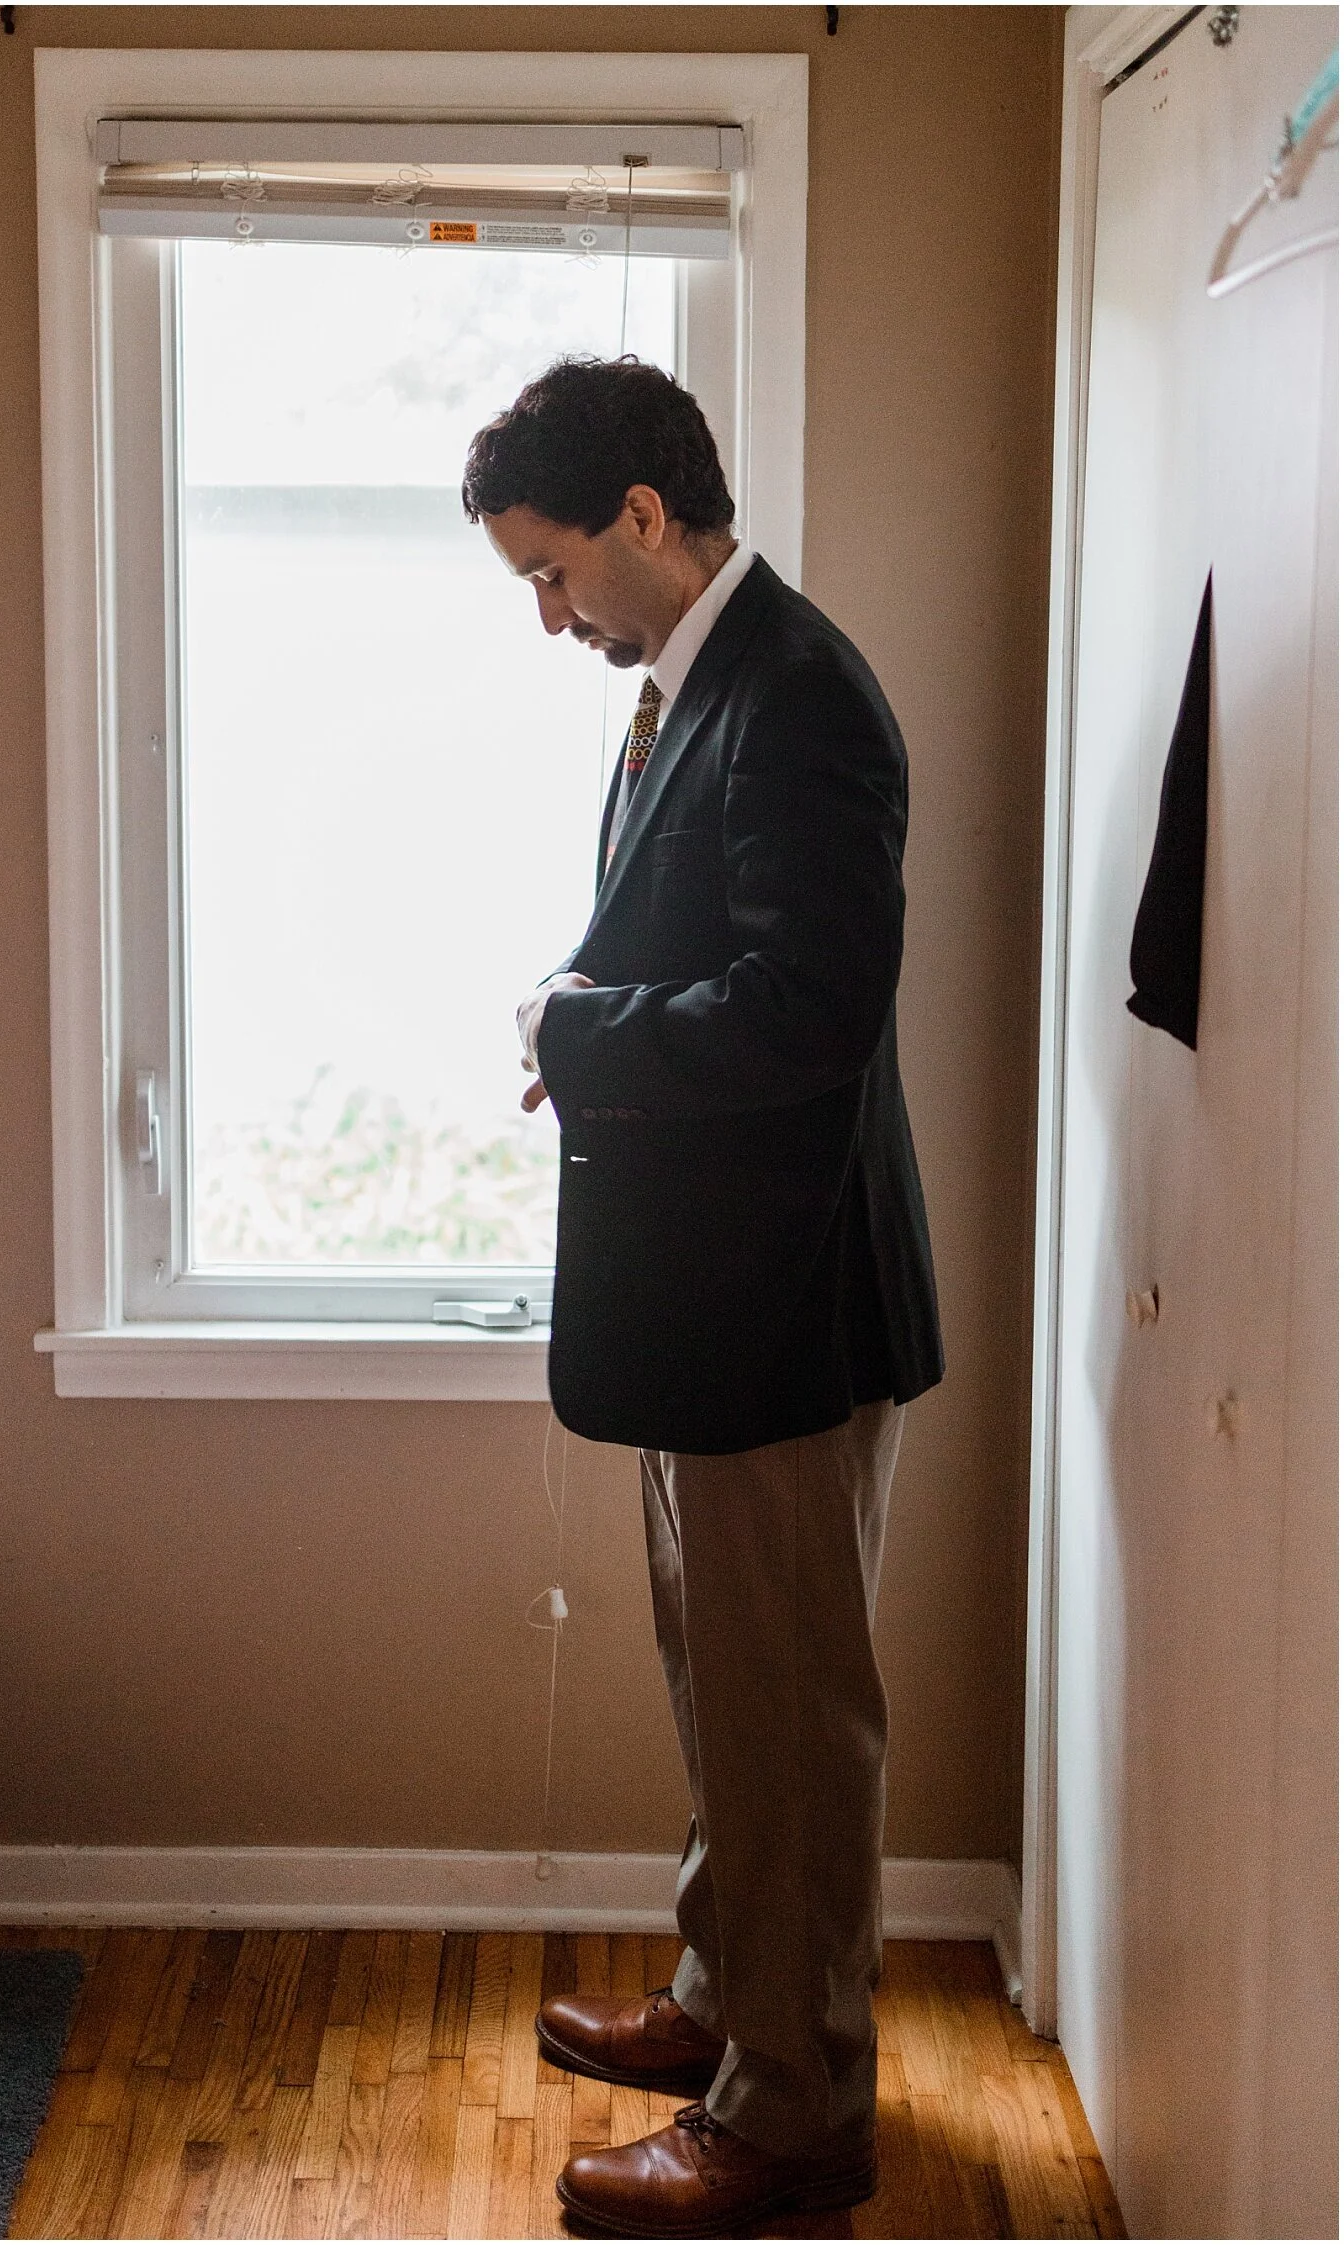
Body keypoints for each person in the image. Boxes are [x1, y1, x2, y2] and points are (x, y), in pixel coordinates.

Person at [461, 355, 943, 2238]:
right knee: (727, 1698)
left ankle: (797, 2115)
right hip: (711, 1297)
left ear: (646, 517)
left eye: (553, 570)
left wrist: (584, 1041)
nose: (548, 615)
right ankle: (730, 2002)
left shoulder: (799, 698)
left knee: (792, 1726)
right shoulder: (697, 685)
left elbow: (812, 1014)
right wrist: (587, 1018)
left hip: (785, 1312)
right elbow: (701, 951)